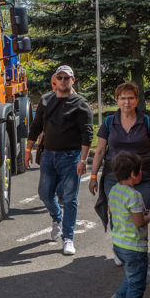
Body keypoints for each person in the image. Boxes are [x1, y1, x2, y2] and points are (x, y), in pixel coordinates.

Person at [89, 81, 150, 266]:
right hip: (114, 176)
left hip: (145, 176)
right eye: (123, 98)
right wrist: (93, 176)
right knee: (117, 212)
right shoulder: (109, 122)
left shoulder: (147, 122)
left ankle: (140, 248)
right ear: (117, 100)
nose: (127, 102)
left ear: (137, 100)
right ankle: (119, 249)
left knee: (140, 211)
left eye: (131, 98)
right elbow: (100, 151)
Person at [24, 64, 93, 256]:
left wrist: (83, 160)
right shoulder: (46, 100)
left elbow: (87, 134)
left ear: (73, 80)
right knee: (45, 194)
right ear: (56, 80)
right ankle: (57, 218)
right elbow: (36, 127)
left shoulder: (81, 103)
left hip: (71, 157)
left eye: (67, 78)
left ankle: (68, 238)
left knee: (70, 198)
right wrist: (28, 150)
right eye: (60, 78)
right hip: (48, 155)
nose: (63, 81)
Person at [105, 151, 150, 298]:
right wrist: (149, 216)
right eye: (140, 170)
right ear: (134, 174)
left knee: (131, 277)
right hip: (134, 246)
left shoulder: (114, 190)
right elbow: (139, 222)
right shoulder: (134, 196)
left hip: (119, 244)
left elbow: (111, 211)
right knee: (137, 283)